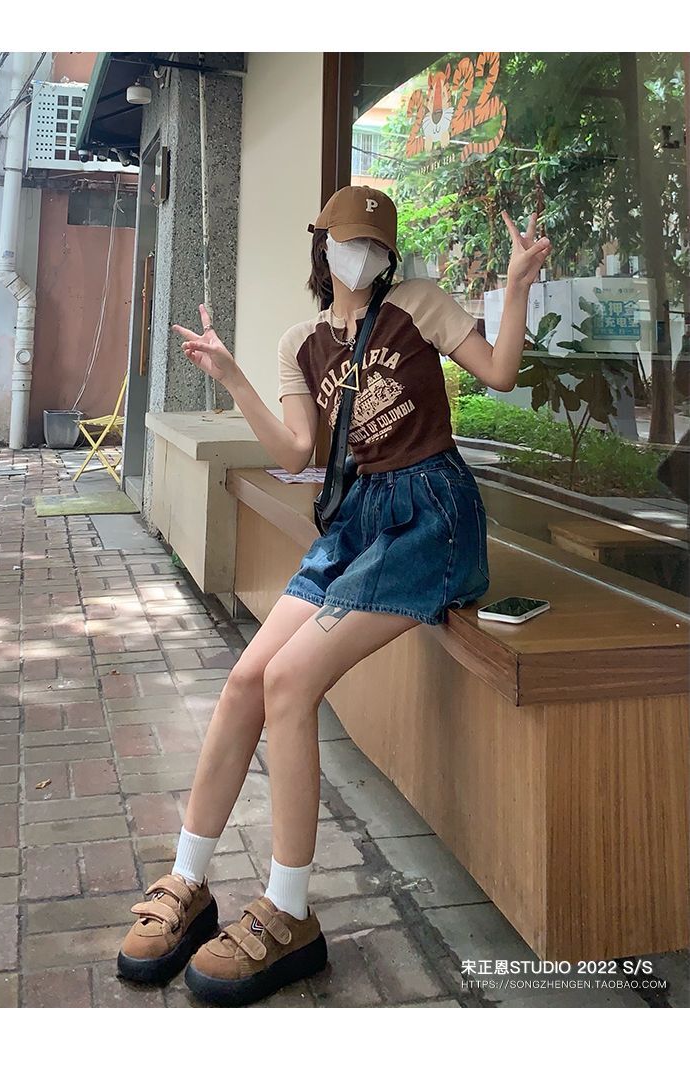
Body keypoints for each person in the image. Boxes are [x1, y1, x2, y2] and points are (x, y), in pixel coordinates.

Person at [115, 184, 552, 1007]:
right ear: (322, 245)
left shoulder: (418, 304)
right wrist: (232, 376)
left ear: (389, 254)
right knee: (247, 680)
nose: (364, 255)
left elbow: (498, 373)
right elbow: (295, 451)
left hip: (431, 516)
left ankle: (288, 912)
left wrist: (517, 286)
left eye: (377, 244)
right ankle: (188, 880)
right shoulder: (302, 343)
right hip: (356, 522)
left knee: (289, 681)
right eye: (351, 240)